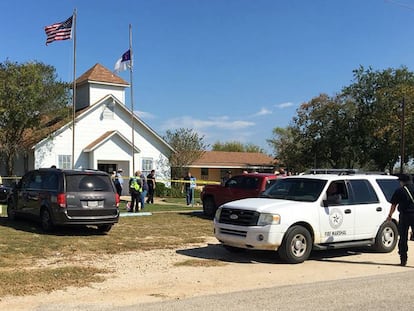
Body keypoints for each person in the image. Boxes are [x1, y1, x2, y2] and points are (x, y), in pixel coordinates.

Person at [387, 174, 414, 266]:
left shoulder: (399, 191)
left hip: (404, 216)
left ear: (403, 182)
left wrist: (389, 216)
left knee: (403, 238)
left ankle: (403, 259)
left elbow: (393, 205)